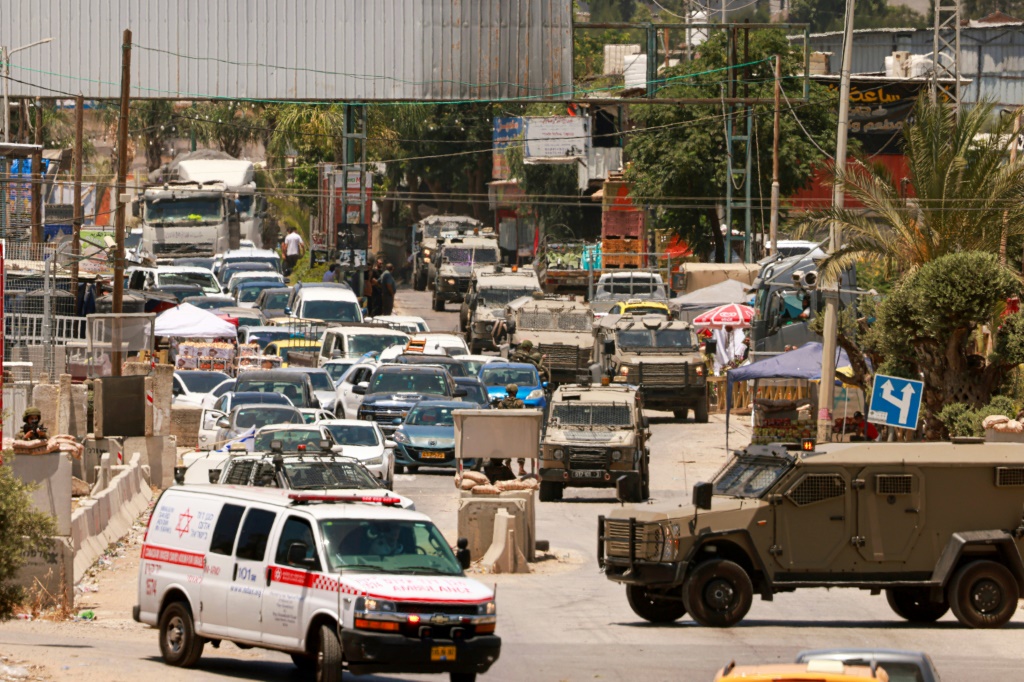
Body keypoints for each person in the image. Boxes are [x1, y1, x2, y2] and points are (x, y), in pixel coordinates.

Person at [496, 383, 528, 476]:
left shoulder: (501, 404)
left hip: (506, 429)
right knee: (521, 447)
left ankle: (508, 466)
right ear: (515, 392)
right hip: (518, 429)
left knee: (507, 447)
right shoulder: (520, 403)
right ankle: (521, 468)